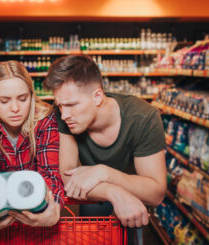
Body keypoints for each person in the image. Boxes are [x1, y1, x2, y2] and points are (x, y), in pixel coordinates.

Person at [44, 55, 166, 241]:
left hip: (135, 198)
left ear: (97, 97)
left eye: (71, 105)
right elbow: (68, 178)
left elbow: (156, 193)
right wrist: (113, 192)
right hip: (94, 195)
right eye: (60, 105)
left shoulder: (144, 118)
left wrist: (104, 172)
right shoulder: (63, 115)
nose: (64, 114)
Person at [0, 61, 64, 238]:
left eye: (23, 99)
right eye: (4, 101)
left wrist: (54, 210)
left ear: (31, 95)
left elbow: (50, 173)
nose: (15, 108)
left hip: (37, 205)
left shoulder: (44, 117)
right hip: (3, 218)